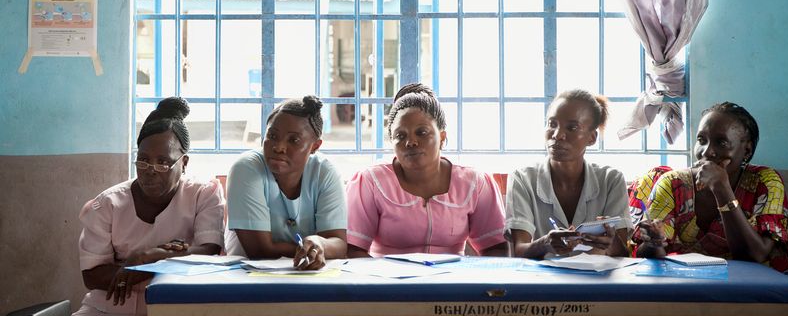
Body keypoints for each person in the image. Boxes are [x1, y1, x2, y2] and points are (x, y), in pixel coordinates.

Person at [75, 97, 225, 316]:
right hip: (108, 308)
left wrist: (150, 256)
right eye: (143, 160)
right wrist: (165, 259)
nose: (150, 170)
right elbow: (92, 276)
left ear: (184, 163)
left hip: (174, 308)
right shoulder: (108, 204)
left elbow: (208, 253)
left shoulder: (203, 194)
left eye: (163, 162)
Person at [634, 102, 788, 277]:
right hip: (687, 285)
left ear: (747, 150)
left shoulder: (765, 182)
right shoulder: (672, 184)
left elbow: (755, 255)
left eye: (721, 142)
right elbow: (646, 257)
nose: (707, 152)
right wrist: (653, 243)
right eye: (701, 140)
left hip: (755, 287)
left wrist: (722, 189)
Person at [346, 83, 507, 257]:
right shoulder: (370, 182)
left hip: (452, 275)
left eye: (422, 132)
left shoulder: (475, 183)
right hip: (386, 274)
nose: (411, 142)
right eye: (400, 136)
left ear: (442, 137)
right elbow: (353, 249)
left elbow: (495, 248)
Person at [505, 89, 632, 259]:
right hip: (542, 276)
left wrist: (612, 241)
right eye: (552, 124)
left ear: (592, 138)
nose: (557, 135)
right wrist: (545, 244)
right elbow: (518, 251)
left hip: (597, 276)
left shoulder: (611, 180)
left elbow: (623, 254)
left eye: (572, 127)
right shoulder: (522, 179)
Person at [225, 95, 346, 269]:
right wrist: (316, 250)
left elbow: (339, 245)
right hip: (246, 275)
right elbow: (260, 251)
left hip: (307, 276)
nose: (279, 147)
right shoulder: (246, 169)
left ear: (315, 146)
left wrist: (319, 242)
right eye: (272, 135)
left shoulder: (324, 172)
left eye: (293, 140)